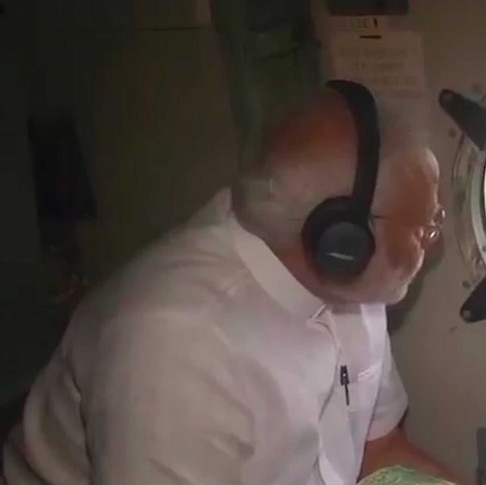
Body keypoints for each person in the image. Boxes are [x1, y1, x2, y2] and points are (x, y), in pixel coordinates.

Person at [2, 81, 460, 484]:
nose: (432, 243)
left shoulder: (357, 287)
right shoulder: (175, 350)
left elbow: (378, 452)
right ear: (343, 241)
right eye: (425, 229)